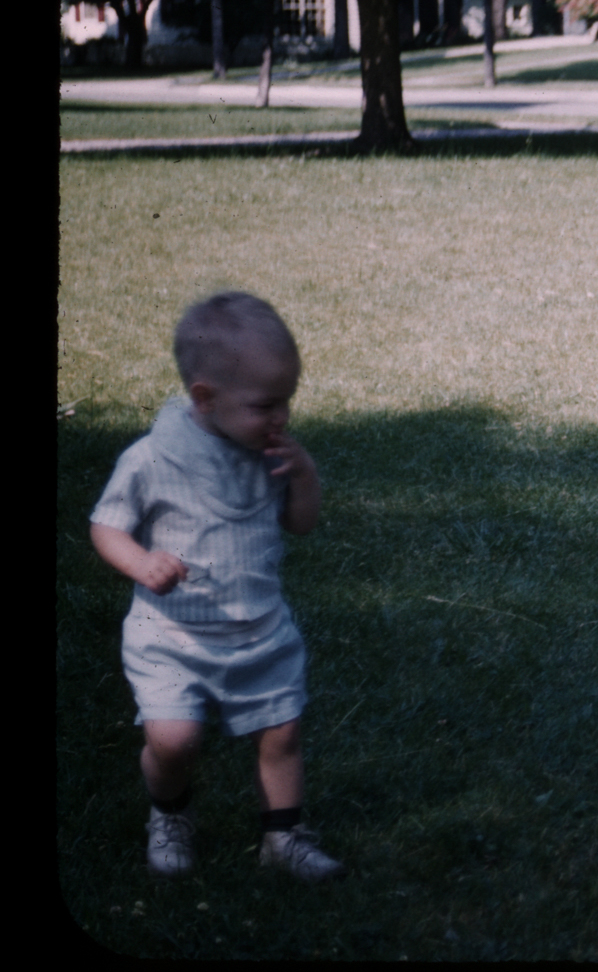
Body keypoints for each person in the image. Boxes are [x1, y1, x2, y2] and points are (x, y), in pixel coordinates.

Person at [88, 291, 343, 881]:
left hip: (259, 630)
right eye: (265, 405)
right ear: (205, 399)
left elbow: (299, 524)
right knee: (174, 741)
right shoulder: (153, 458)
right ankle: (169, 813)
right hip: (172, 635)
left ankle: (284, 837)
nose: (281, 418)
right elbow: (106, 524)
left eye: (288, 402)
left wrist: (304, 476)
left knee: (282, 732)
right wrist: (140, 561)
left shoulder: (267, 453)